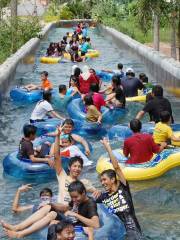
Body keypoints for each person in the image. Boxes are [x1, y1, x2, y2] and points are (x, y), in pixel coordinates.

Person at [96, 138, 142, 240]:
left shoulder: (123, 188)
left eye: (104, 180)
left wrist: (107, 147)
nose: (102, 183)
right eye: (101, 181)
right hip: (118, 234)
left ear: (113, 179)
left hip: (133, 231)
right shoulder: (102, 198)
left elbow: (116, 167)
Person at [54, 127, 100, 205]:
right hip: (59, 208)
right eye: (75, 166)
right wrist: (57, 136)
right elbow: (56, 157)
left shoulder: (83, 183)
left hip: (70, 212)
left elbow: (96, 191)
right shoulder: (62, 176)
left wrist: (98, 191)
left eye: (79, 167)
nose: (77, 169)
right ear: (69, 167)